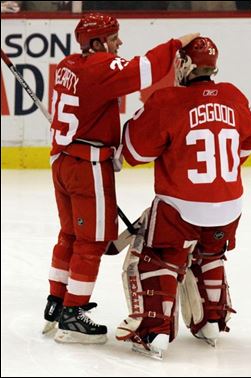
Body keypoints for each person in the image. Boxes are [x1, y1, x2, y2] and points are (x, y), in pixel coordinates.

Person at [41, 11, 199, 344]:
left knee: (69, 233)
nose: (119, 43)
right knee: (92, 241)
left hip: (63, 162)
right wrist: (176, 44)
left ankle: (57, 300)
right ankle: (73, 313)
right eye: (114, 38)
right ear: (97, 42)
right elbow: (146, 69)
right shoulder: (99, 67)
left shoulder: (69, 65)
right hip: (88, 167)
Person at [116, 36, 251, 358]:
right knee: (210, 253)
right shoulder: (233, 95)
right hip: (229, 204)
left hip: (180, 206)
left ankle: (153, 332)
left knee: (158, 258)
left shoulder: (167, 100)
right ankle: (212, 319)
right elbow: (248, 143)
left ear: (184, 65)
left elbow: (135, 152)